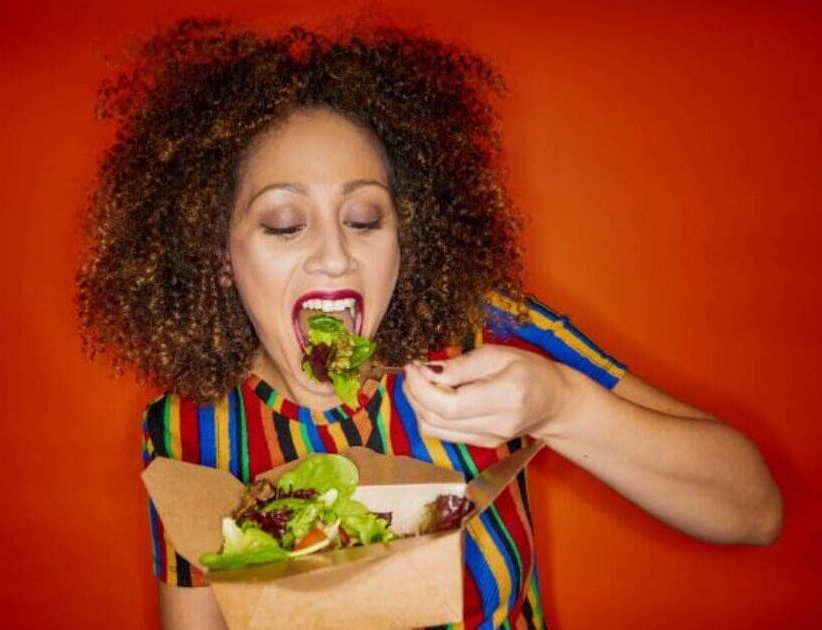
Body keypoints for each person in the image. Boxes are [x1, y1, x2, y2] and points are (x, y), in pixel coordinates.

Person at [75, 18, 782, 630]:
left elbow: (754, 510)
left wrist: (561, 404)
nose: (332, 254)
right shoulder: (188, 436)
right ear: (222, 257)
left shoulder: (486, 334)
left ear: (405, 236)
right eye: (285, 224)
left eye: (364, 218)